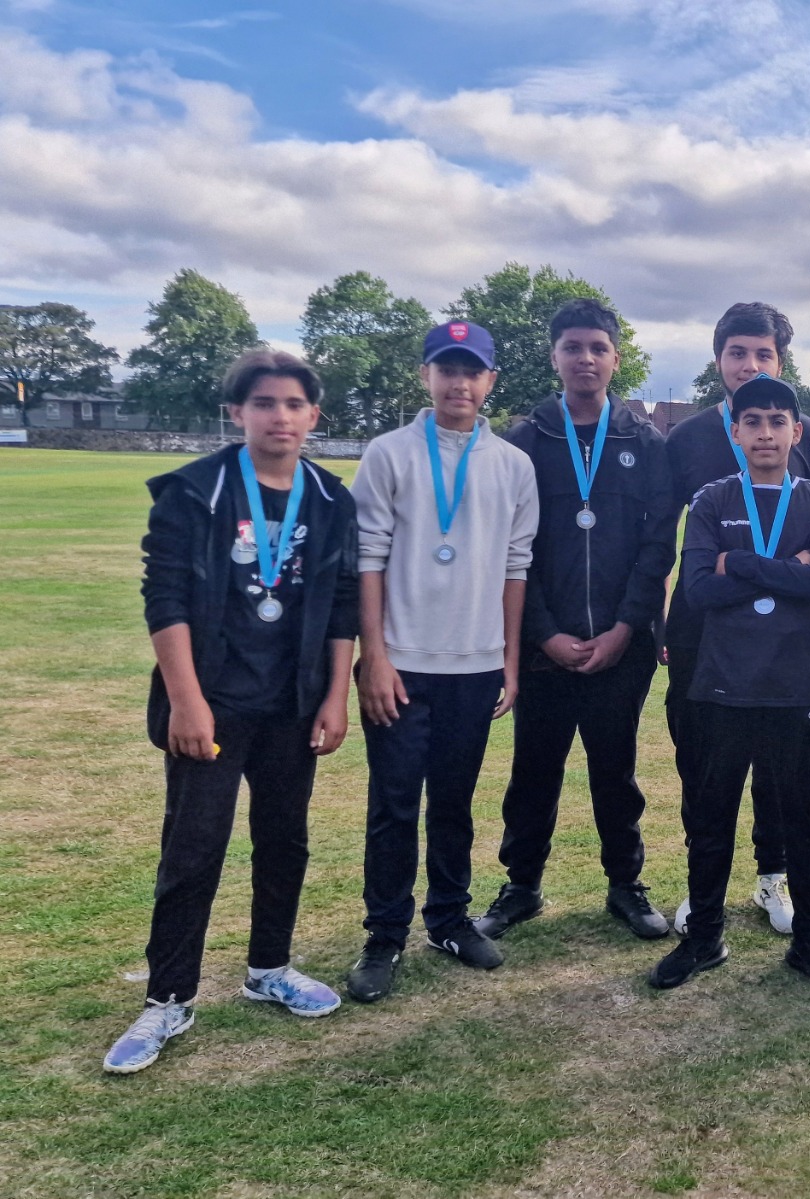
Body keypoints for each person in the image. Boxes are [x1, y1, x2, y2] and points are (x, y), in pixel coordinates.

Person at [106, 350, 357, 1074]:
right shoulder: (195, 491)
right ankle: (167, 997)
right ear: (237, 412)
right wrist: (187, 702)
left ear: (313, 415)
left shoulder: (330, 498)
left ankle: (269, 967)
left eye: (294, 404)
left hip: (292, 706)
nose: (280, 416)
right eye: (264, 403)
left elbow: (343, 604)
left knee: (285, 841)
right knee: (193, 849)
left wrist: (335, 695)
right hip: (212, 707)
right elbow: (166, 599)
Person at [346, 320, 539, 1003]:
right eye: (446, 368)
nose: (459, 382)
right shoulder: (388, 453)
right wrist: (375, 657)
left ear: (490, 380)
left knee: (453, 803)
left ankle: (450, 919)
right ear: (426, 375)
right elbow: (367, 558)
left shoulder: (513, 464)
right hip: (400, 665)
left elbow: (516, 568)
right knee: (394, 805)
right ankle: (384, 935)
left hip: (475, 666)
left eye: (472, 370)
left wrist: (508, 662)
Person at [648, 375, 810, 999]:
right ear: (735, 432)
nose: (766, 433)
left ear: (795, 432)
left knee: (803, 820)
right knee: (712, 816)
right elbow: (697, 591)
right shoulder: (712, 500)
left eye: (777, 421)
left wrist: (737, 561)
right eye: (753, 422)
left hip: (796, 687)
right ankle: (704, 937)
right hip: (722, 685)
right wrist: (785, 567)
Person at [477, 298, 675, 942]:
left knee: (615, 769)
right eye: (572, 347)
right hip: (544, 647)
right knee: (534, 769)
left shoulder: (645, 443)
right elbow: (511, 549)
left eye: (597, 347)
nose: (585, 358)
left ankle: (626, 884)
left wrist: (625, 628)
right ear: (554, 356)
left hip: (624, 643)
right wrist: (543, 633)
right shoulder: (523, 441)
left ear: (616, 358)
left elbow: (657, 547)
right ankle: (521, 885)